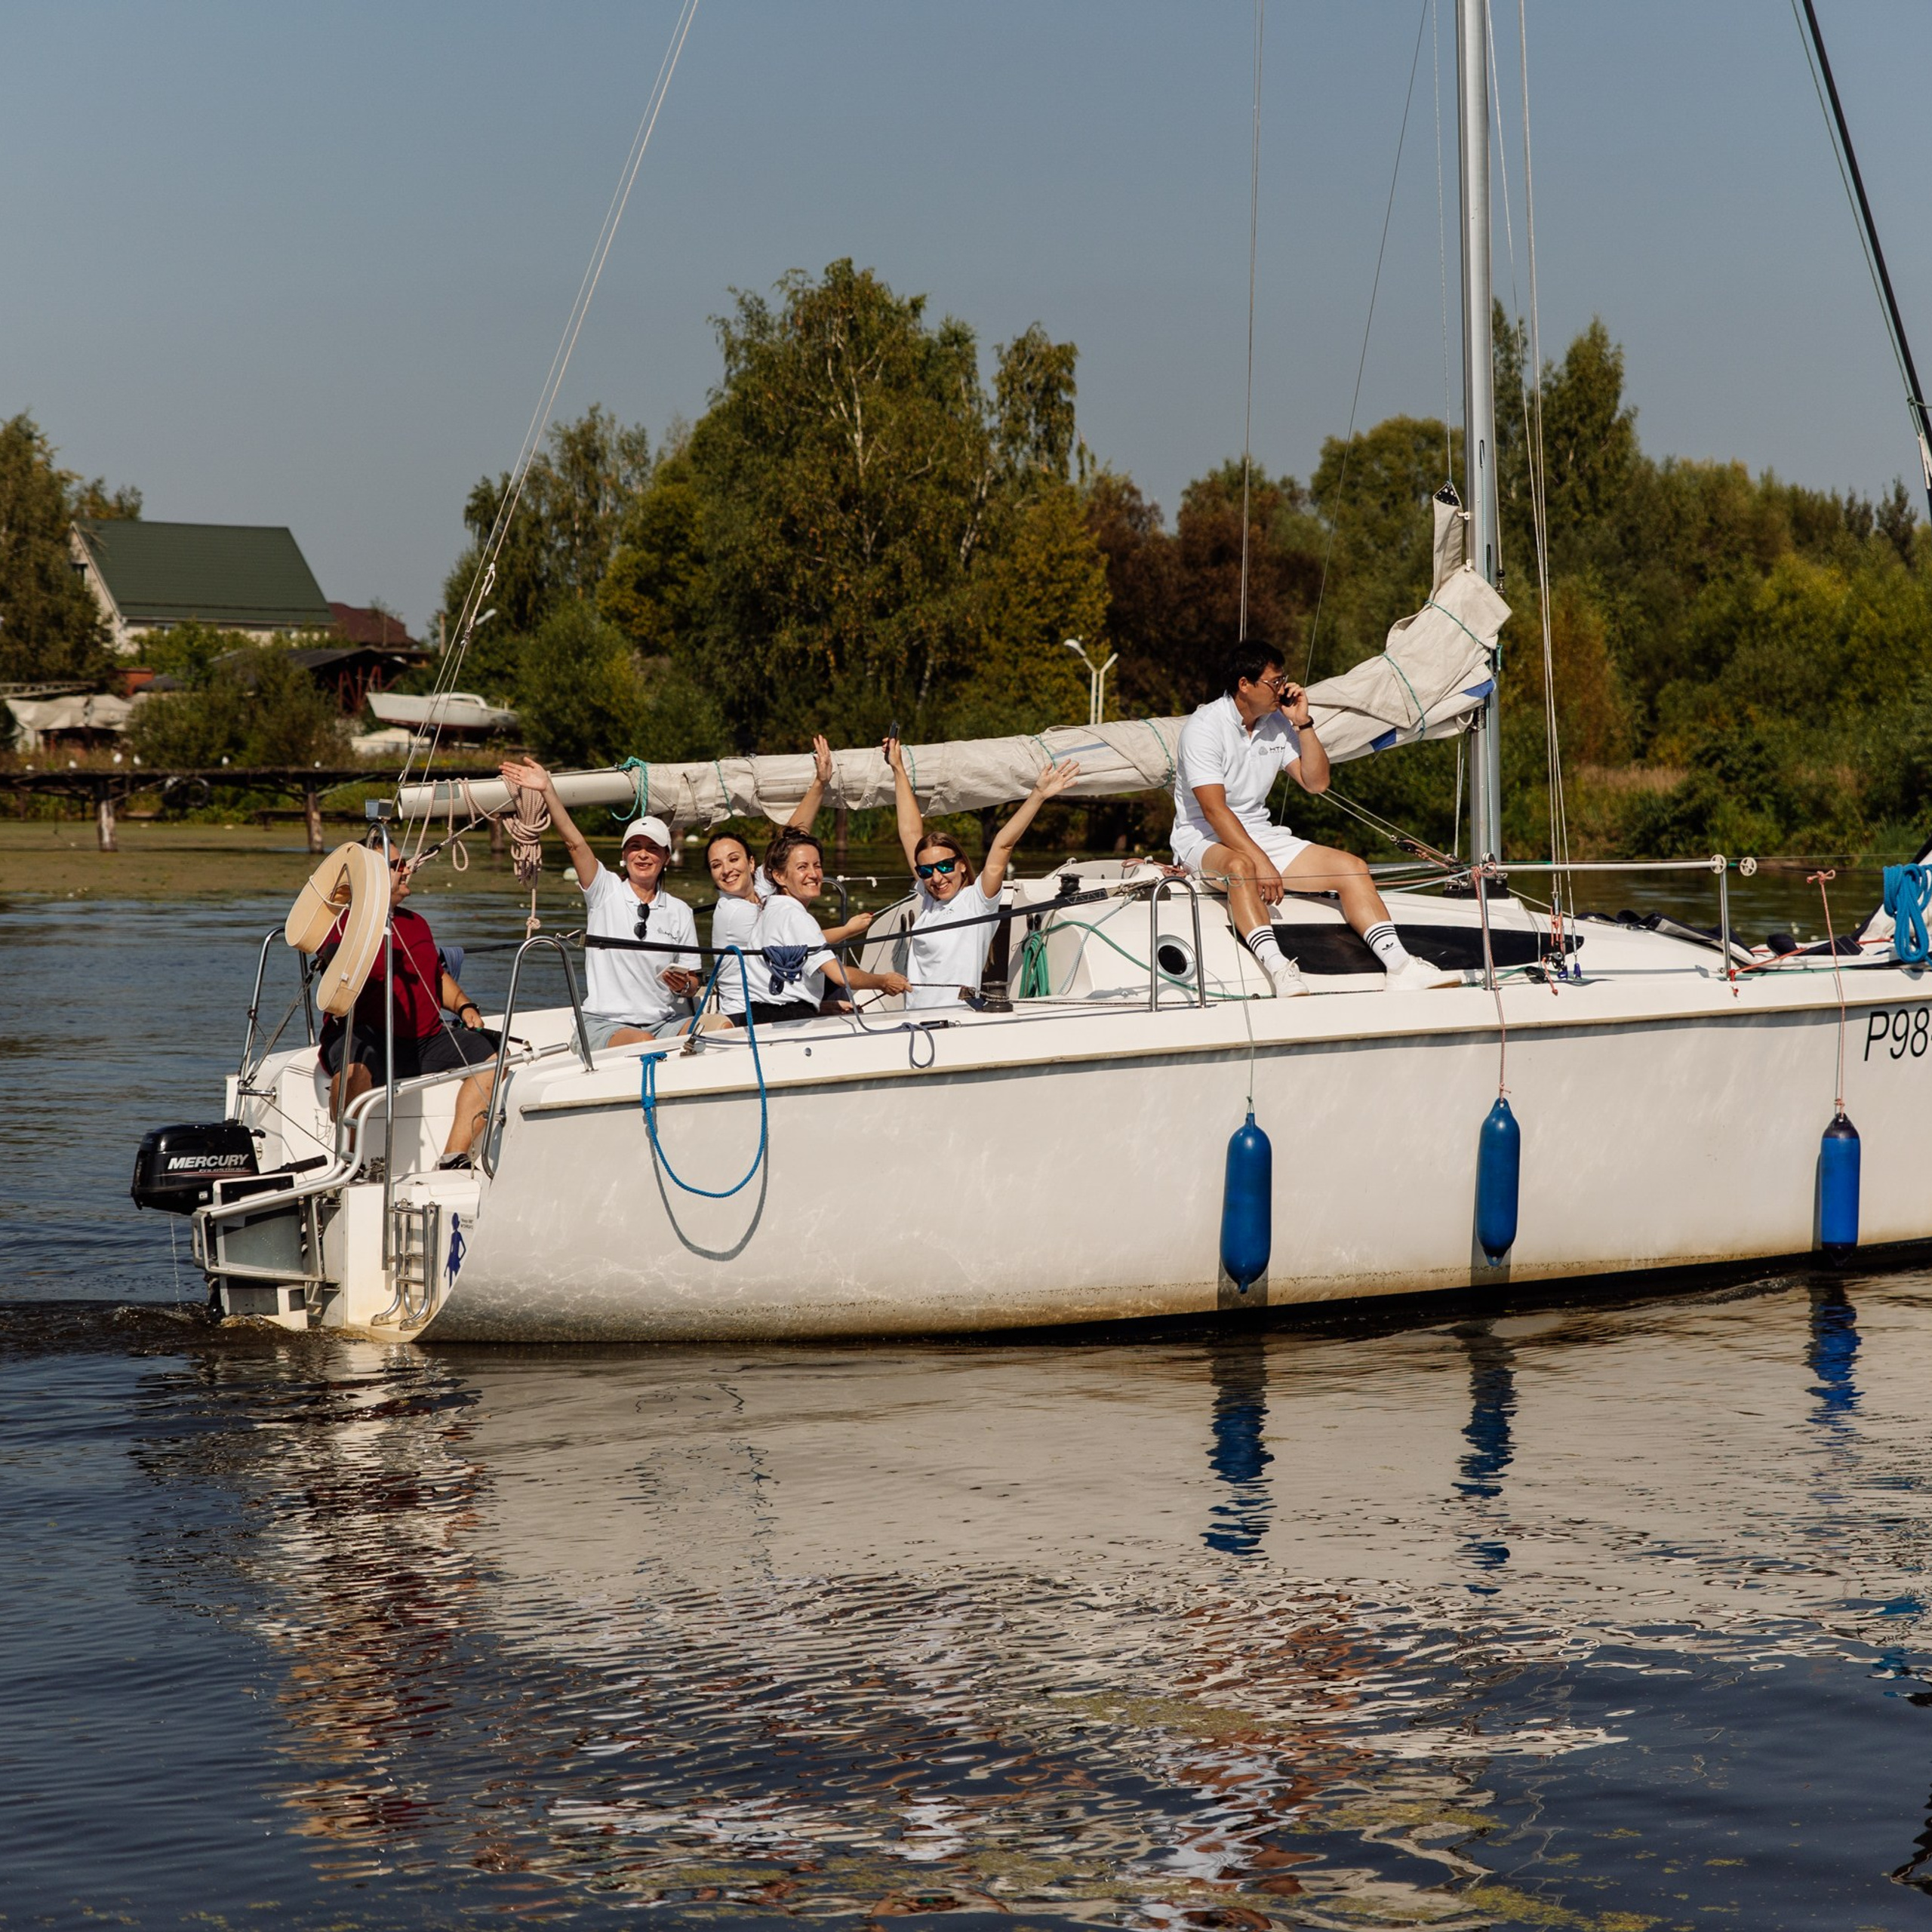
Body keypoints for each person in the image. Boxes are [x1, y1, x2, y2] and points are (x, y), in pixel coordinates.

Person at [1171, 644, 1458, 996]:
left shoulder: (1276, 723)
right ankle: (1280, 971)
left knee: (1352, 868)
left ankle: (1400, 966)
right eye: (1275, 682)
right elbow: (1215, 811)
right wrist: (1260, 861)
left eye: (1283, 680)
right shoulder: (1204, 728)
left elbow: (1316, 782)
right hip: (1202, 839)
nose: (1284, 688)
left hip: (1257, 833)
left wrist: (1303, 723)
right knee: (1241, 865)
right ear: (1244, 685)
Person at [497, 758, 702, 1048]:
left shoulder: (680, 911)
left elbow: (693, 982)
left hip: (663, 1022)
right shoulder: (605, 890)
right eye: (635, 847)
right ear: (624, 855)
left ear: (666, 858)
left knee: (719, 1027)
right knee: (642, 1042)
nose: (643, 855)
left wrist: (686, 985)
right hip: (604, 1024)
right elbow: (575, 844)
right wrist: (547, 790)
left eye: (653, 849)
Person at [318, 848, 499, 1168]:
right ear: (372, 877)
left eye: (406, 863)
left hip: (426, 1039)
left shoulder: (417, 923)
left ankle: (452, 1157)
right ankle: (347, 1162)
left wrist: (464, 1006)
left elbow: (436, 974)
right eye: (397, 865)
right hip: (367, 1036)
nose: (408, 870)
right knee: (354, 1068)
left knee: (494, 1059)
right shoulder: (345, 926)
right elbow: (332, 964)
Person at [885, 736, 1081, 1010]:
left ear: (962, 864)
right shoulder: (930, 898)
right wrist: (897, 767)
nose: (937, 878)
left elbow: (1003, 845)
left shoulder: (977, 902)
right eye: (927, 871)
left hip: (955, 1021)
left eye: (944, 866)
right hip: (915, 1019)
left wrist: (1037, 796)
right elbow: (910, 833)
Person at [706, 735, 873, 1023]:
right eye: (716, 866)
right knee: (835, 980)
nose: (727, 870)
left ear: (752, 863)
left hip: (779, 993)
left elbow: (791, 839)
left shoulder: (759, 885)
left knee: (833, 992)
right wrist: (847, 929)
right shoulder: (733, 913)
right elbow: (805, 941)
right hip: (746, 1010)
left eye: (734, 860)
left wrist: (820, 782)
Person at [748, 827, 909, 1024]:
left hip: (761, 1017)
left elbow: (805, 945)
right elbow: (842, 977)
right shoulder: (795, 917)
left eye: (817, 865)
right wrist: (884, 982)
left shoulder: (770, 910)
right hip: (788, 1021)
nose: (814, 874)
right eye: (802, 867)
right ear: (780, 877)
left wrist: (820, 1007)